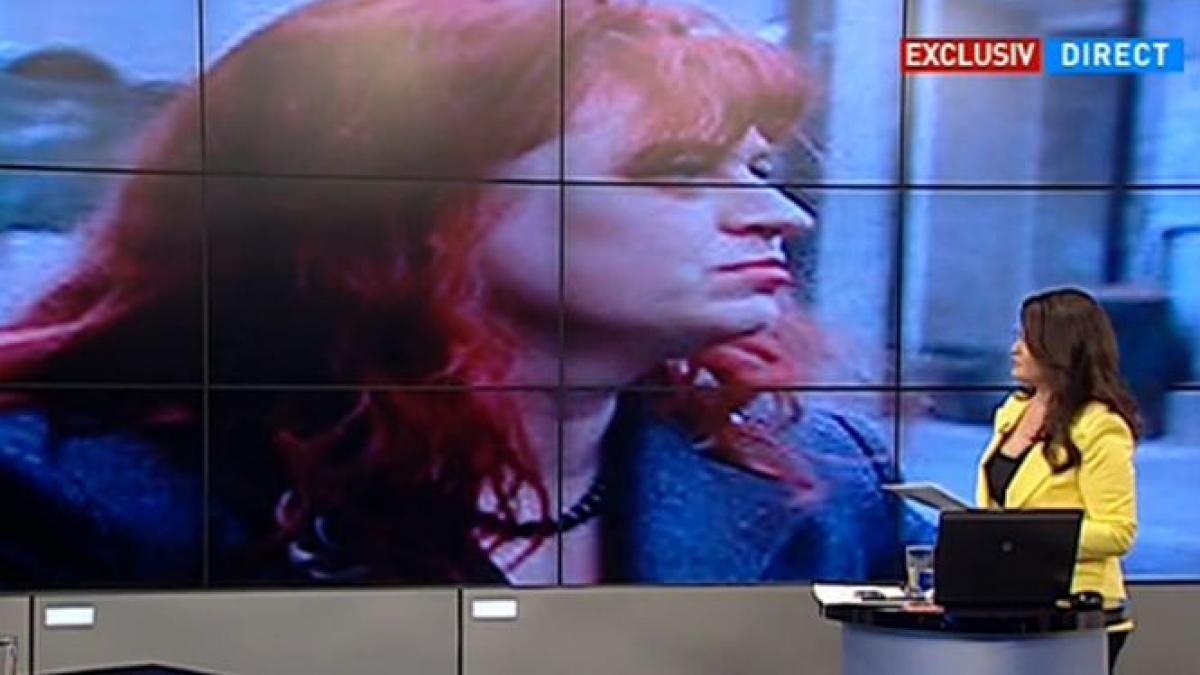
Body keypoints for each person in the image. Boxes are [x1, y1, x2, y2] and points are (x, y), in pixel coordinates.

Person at [0, 0, 929, 588]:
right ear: (412, 201)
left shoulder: (828, 480)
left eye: (759, 169)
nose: (780, 216)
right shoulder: (71, 499)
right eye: (680, 171)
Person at [976, 287, 1138, 672]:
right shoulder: (1013, 412)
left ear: (1058, 348)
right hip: (1010, 604)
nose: (1015, 349)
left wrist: (1023, 536)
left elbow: (1117, 531)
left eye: (1027, 339)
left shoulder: (1100, 426)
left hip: (1074, 611)